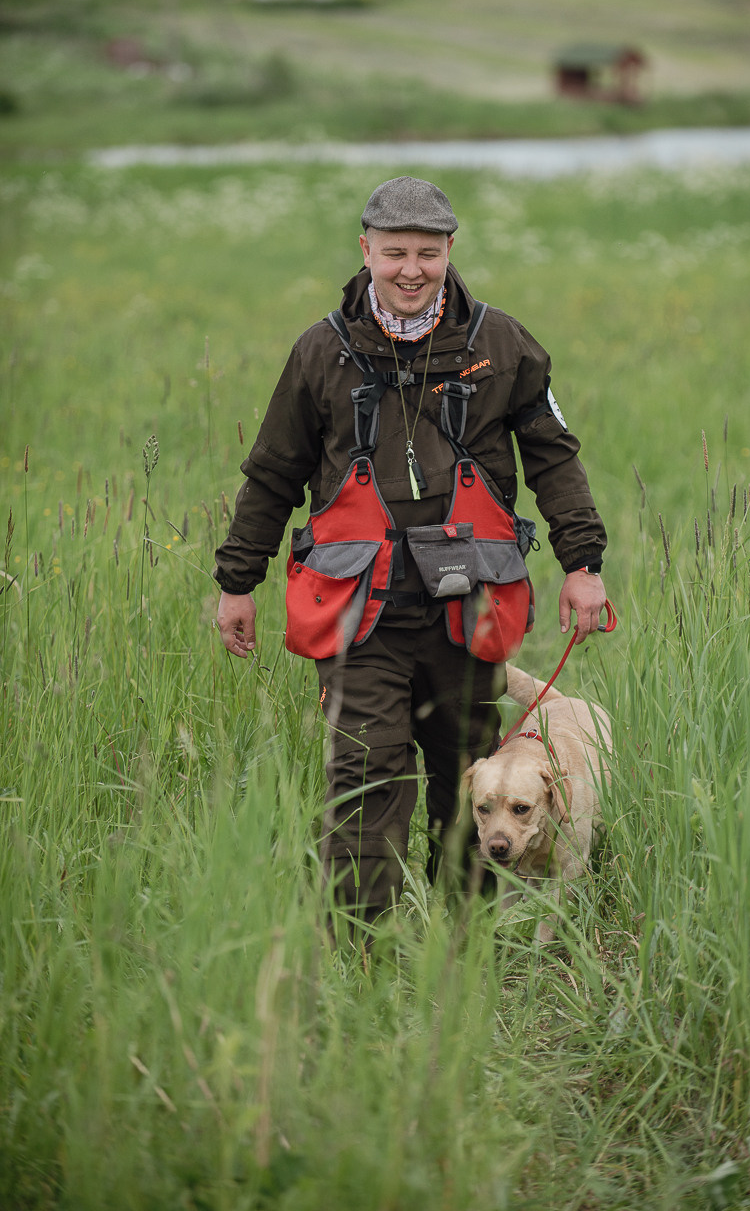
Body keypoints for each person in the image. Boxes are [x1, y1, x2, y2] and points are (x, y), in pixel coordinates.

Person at [214, 176, 607, 929]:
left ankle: (465, 942)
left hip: (472, 610)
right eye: (394, 253)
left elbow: (553, 458)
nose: (411, 269)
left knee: (472, 781)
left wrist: (583, 564)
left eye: (427, 253)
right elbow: (272, 474)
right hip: (361, 616)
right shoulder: (319, 352)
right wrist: (237, 581)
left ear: (449, 251)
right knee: (364, 778)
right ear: (367, 252)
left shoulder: (503, 344)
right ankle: (363, 951)